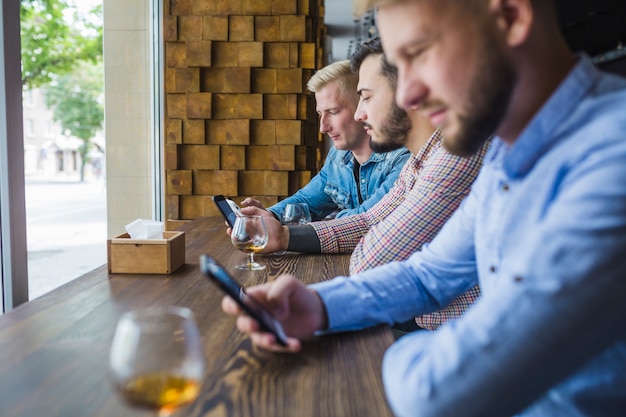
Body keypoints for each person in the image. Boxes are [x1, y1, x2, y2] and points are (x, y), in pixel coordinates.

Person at [223, 0, 626, 416]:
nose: (409, 94)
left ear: (510, 17)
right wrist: (319, 306)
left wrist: (403, 350)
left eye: (419, 54)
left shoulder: (613, 158)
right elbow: (427, 275)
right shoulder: (506, 149)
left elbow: (433, 394)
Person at [241, 37, 489, 332]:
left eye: (366, 97)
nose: (360, 114)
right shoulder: (418, 162)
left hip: (450, 333)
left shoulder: (457, 154)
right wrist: (282, 236)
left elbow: (369, 261)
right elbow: (368, 220)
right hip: (425, 323)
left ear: (409, 90)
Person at [242, 60, 409, 222]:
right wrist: (267, 216)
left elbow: (364, 220)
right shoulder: (338, 156)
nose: (323, 127)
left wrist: (297, 231)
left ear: (363, 105)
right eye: (321, 114)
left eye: (333, 112)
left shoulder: (403, 159)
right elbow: (306, 201)